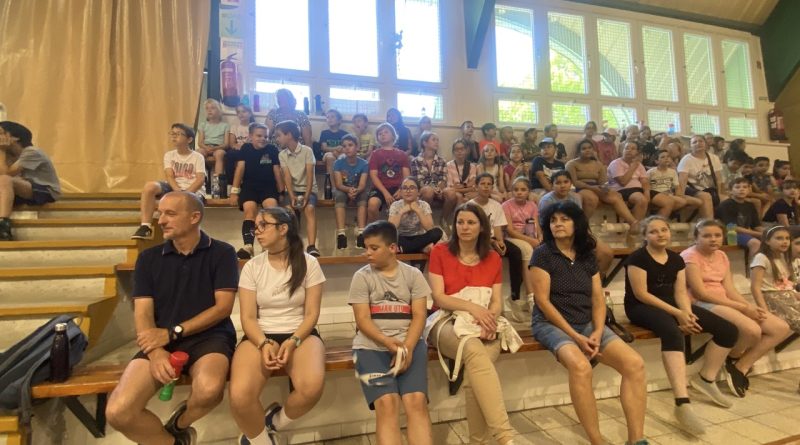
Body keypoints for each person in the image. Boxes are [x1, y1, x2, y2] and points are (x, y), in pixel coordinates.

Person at [106, 192, 238, 445]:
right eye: (160, 213)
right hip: (160, 341)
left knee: (209, 391)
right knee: (118, 412)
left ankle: (179, 424)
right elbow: (143, 312)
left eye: (170, 214)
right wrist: (156, 352)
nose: (161, 220)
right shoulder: (148, 258)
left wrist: (173, 332)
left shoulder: (223, 252)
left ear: (194, 217)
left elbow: (223, 308)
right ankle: (173, 442)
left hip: (210, 338)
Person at [530, 201, 647, 445]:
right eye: (553, 220)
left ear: (577, 224)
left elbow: (597, 298)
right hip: (551, 324)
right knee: (581, 367)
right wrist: (575, 336)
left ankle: (636, 440)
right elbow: (543, 301)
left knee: (635, 364)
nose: (557, 224)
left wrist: (597, 330)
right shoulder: (542, 254)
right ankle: (597, 441)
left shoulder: (586, 255)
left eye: (564, 219)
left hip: (586, 322)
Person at [625, 217, 739, 432]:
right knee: (672, 332)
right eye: (654, 231)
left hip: (672, 305)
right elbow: (642, 294)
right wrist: (677, 314)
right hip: (641, 307)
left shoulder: (676, 259)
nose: (660, 234)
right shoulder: (637, 258)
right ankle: (682, 402)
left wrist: (687, 313)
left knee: (729, 330)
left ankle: (707, 379)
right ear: (645, 236)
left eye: (664, 230)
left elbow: (679, 293)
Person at [427, 202, 525, 444]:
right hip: (445, 320)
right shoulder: (440, 251)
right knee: (473, 349)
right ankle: (505, 437)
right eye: (460, 222)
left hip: (485, 322)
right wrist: (474, 309)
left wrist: (488, 320)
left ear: (482, 227)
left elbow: (496, 301)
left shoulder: (492, 257)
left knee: (475, 378)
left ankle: (478, 442)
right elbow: (439, 297)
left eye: (471, 222)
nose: (464, 227)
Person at [229, 207, 326, 445]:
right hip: (260, 334)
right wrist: (263, 343)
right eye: (256, 227)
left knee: (311, 389)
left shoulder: (309, 263)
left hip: (301, 333)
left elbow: (311, 314)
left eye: (263, 225)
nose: (257, 231)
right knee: (240, 397)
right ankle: (262, 441)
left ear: (283, 229)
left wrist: (293, 341)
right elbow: (248, 318)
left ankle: (274, 422)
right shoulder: (252, 266)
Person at [682, 219, 792, 398]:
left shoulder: (721, 255)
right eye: (707, 235)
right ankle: (732, 359)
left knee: (780, 328)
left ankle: (740, 366)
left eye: (717, 235)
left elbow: (730, 289)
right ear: (696, 237)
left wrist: (748, 306)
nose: (713, 239)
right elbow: (701, 293)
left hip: (724, 300)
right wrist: (742, 308)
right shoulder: (690, 256)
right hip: (701, 303)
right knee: (752, 330)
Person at [349, 221, 434, 445]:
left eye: (374, 248)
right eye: (366, 248)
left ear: (393, 248)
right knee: (387, 403)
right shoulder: (362, 277)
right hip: (371, 347)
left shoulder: (413, 275)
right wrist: (388, 342)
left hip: (410, 344)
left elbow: (419, 316)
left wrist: (407, 349)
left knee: (416, 401)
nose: (367, 253)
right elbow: (362, 320)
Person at [132, 123, 206, 240]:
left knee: (183, 206)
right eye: (172, 134)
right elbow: (169, 176)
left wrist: (185, 194)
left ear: (189, 139)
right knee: (150, 186)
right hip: (174, 187)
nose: (174, 136)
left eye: (178, 134)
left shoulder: (197, 157)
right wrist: (177, 192)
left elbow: (200, 179)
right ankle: (145, 226)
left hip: (193, 190)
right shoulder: (169, 155)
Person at [470, 173, 528, 320]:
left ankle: (515, 297)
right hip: (476, 240)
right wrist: (492, 242)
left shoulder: (496, 205)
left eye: (489, 184)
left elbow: (497, 227)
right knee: (489, 254)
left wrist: (500, 241)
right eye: (482, 184)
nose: (486, 187)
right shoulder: (470, 206)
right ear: (476, 186)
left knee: (516, 252)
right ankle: (489, 300)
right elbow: (473, 230)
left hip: (493, 239)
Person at [228, 123, 284, 259]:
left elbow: (277, 171)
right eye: (259, 136)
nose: (263, 139)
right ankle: (248, 245)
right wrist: (234, 192)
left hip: (268, 186)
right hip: (249, 186)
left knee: (271, 211)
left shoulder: (272, 149)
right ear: (250, 136)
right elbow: (240, 169)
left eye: (266, 136)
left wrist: (281, 191)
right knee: (249, 210)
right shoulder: (246, 148)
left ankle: (268, 246)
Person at [0, 121, 61, 241]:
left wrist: (1, 151)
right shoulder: (7, 155)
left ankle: (3, 226)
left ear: (15, 137)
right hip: (20, 189)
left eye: (1, 133)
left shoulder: (32, 152)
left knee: (5, 179)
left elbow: (6, 174)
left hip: (45, 190)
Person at [276, 120, 320, 257]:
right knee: (289, 212)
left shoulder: (307, 151)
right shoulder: (282, 154)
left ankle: (312, 246)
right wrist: (292, 196)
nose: (277, 139)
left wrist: (306, 196)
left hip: (308, 189)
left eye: (279, 135)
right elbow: (287, 177)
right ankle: (294, 244)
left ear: (289, 135)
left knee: (310, 209)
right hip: (292, 190)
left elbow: (310, 175)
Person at [751, 226, 800, 347]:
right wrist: (765, 311)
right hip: (772, 298)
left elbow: (786, 284)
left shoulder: (784, 257)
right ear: (767, 241)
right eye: (779, 238)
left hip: (788, 296)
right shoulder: (761, 257)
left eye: (787, 238)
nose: (784, 241)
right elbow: (755, 287)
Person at [567, 138, 636, 223]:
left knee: (616, 196)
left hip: (597, 187)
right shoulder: (571, 164)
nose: (587, 150)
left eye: (589, 148)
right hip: (581, 188)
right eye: (584, 148)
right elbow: (574, 182)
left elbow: (603, 182)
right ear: (578, 152)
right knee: (593, 199)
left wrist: (605, 188)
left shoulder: (598, 164)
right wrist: (592, 188)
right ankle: (583, 224)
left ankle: (633, 222)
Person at [502, 177, 541, 321]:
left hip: (529, 236)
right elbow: (510, 230)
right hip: (512, 238)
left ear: (529, 191)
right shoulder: (506, 205)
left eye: (523, 190)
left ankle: (545, 295)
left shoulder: (532, 205)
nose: (519, 192)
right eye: (516, 190)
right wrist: (531, 241)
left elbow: (536, 225)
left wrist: (539, 238)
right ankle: (531, 298)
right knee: (527, 249)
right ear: (511, 191)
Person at [609, 141, 674, 221]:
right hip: (623, 189)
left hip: (639, 189)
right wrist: (633, 166)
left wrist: (647, 193)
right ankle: (635, 226)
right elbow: (623, 182)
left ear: (637, 152)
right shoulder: (616, 163)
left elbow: (644, 182)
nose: (629, 150)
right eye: (626, 148)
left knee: (668, 202)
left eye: (633, 149)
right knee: (641, 200)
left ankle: (656, 224)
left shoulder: (639, 165)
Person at [368, 123, 411, 223]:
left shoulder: (402, 154)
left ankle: (398, 230)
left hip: (398, 188)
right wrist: (385, 193)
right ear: (377, 138)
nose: (382, 134)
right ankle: (374, 229)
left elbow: (407, 176)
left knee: (405, 206)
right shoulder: (375, 154)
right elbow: (373, 176)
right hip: (380, 188)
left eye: (386, 132)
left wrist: (401, 190)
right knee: (372, 204)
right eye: (380, 133)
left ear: (393, 135)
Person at [388, 177, 443, 254]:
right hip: (401, 238)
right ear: (401, 192)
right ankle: (420, 248)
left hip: (419, 237)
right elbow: (390, 228)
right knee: (387, 236)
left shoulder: (424, 205)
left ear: (418, 192)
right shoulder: (395, 205)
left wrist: (418, 210)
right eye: (405, 188)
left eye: (412, 188)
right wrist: (401, 212)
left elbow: (430, 228)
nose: (408, 191)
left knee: (437, 232)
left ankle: (405, 249)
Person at [333, 135, 369, 250]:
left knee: (363, 195)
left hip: (358, 190)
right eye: (344, 146)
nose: (347, 148)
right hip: (343, 189)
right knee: (339, 196)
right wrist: (349, 190)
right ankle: (341, 234)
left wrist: (355, 191)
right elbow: (338, 184)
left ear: (357, 147)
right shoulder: (338, 163)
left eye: (350, 145)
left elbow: (362, 185)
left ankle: (361, 233)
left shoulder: (364, 164)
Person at [677, 135, 725, 219]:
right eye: (694, 142)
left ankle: (730, 226)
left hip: (710, 189)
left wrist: (719, 194)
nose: (698, 143)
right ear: (690, 146)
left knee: (727, 200)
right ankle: (709, 224)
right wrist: (681, 196)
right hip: (691, 188)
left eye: (700, 141)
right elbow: (682, 181)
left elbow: (719, 179)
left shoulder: (714, 158)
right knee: (706, 196)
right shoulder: (686, 159)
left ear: (705, 144)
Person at [715, 177, 763, 260]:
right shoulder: (726, 205)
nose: (741, 189)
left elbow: (757, 226)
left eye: (745, 187)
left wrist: (770, 232)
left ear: (749, 190)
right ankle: (753, 267)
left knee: (774, 240)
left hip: (745, 234)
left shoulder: (750, 205)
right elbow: (732, 227)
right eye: (737, 187)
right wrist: (757, 234)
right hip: (730, 235)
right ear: (730, 191)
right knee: (755, 243)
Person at [647, 149, 701, 216]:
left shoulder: (673, 172)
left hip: (669, 193)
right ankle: (660, 217)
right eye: (663, 157)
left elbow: (677, 186)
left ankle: (666, 213)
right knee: (679, 201)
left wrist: (679, 195)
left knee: (697, 202)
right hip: (655, 193)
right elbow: (647, 186)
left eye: (668, 156)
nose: (666, 158)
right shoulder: (651, 172)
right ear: (656, 161)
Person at [196, 98, 230, 198]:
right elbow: (200, 142)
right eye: (207, 108)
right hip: (206, 147)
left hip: (219, 147)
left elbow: (226, 144)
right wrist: (206, 148)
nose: (209, 110)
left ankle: (217, 183)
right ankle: (201, 179)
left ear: (219, 110)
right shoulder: (203, 125)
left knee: (219, 154)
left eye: (213, 108)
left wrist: (215, 148)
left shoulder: (225, 125)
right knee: (198, 153)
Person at [443, 139, 478, 228]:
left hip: (466, 192)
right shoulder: (448, 165)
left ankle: (461, 223)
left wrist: (462, 186)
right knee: (458, 196)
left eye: (462, 149)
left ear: (466, 150)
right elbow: (450, 186)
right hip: (454, 193)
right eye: (456, 149)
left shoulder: (472, 166)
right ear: (453, 152)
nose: (459, 151)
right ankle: (455, 223)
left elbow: (473, 186)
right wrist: (466, 186)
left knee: (472, 195)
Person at [410, 131, 447, 209]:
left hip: (438, 189)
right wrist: (433, 189)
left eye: (437, 140)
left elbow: (443, 179)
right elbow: (418, 181)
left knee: (451, 193)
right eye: (433, 140)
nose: (436, 142)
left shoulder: (442, 161)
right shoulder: (415, 161)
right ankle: (424, 214)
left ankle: (444, 216)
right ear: (425, 143)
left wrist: (439, 189)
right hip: (422, 190)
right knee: (428, 191)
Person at [320, 109, 350, 177]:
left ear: (339, 120)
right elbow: (324, 148)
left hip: (340, 154)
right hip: (327, 154)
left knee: (345, 157)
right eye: (327, 117)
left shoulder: (345, 134)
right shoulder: (324, 133)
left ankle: (344, 180)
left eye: (332, 117)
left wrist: (339, 151)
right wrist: (335, 148)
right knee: (330, 157)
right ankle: (332, 183)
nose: (329, 119)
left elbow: (346, 148)